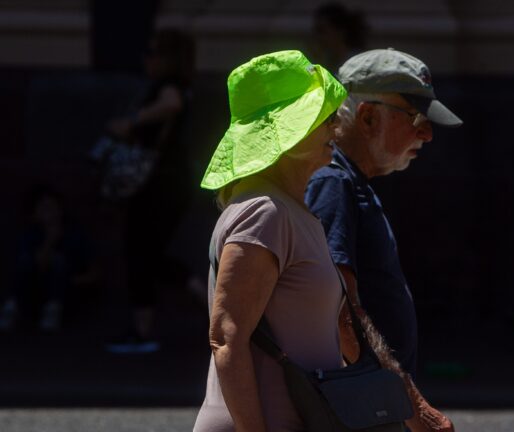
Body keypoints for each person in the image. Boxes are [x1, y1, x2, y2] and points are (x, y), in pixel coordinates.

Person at [305, 48, 462, 431]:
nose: (426, 134)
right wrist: (414, 408)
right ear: (368, 116)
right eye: (416, 118)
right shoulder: (333, 182)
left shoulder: (350, 181)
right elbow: (337, 309)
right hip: (361, 408)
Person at [192, 50, 348, 431]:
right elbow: (227, 339)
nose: (337, 125)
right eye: (323, 117)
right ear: (289, 133)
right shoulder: (265, 212)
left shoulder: (288, 209)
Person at [103, 28, 196, 353]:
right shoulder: (180, 86)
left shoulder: (169, 87)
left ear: (168, 58)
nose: (146, 59)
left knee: (141, 251)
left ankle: (142, 333)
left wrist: (133, 122)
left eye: (153, 53)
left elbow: (169, 105)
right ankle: (203, 294)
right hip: (167, 180)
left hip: (157, 182)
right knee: (149, 254)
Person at [0, 185, 96, 332]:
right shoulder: (29, 235)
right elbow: (34, 265)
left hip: (66, 294)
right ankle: (12, 307)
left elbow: (94, 272)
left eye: (52, 206)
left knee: (59, 261)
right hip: (33, 291)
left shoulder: (75, 234)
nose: (49, 212)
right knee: (28, 260)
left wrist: (70, 280)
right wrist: (49, 241)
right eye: (43, 207)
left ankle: (52, 309)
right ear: (34, 213)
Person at [310, 2, 369, 75]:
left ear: (340, 31)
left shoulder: (357, 63)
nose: (318, 37)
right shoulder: (329, 61)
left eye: (322, 31)